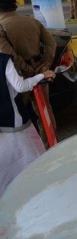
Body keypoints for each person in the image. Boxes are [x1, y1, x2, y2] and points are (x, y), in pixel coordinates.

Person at [0, 34, 56, 198]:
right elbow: (20, 85)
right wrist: (41, 76)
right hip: (14, 123)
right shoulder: (4, 60)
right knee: (32, 158)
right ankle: (40, 193)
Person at [0, 0, 57, 149]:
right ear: (15, 7)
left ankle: (34, 150)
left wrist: (28, 70)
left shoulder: (1, 27)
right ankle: (51, 146)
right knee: (44, 112)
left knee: (22, 114)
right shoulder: (32, 21)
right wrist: (45, 65)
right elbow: (51, 43)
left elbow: (9, 55)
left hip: (19, 75)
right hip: (40, 70)